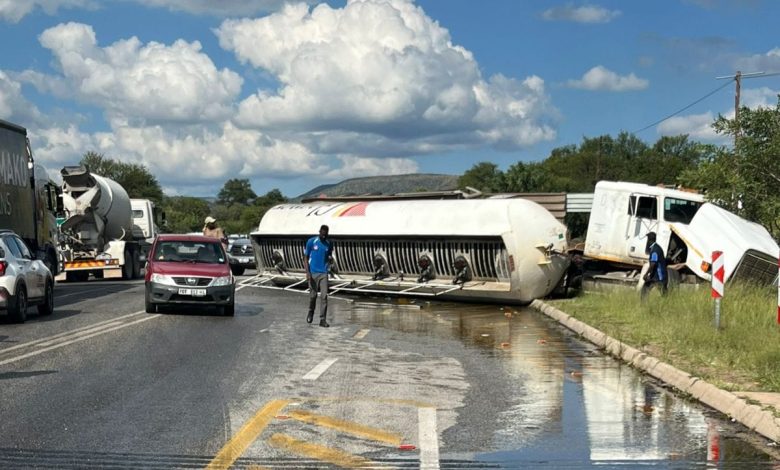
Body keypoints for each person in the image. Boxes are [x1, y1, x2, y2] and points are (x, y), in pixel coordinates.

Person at [304, 224, 333, 327]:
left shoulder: (329, 244)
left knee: (324, 296)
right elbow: (306, 258)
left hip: (323, 273)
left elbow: (329, 255)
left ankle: (322, 319)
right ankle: (311, 311)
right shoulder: (311, 242)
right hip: (313, 272)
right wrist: (307, 272)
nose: (324, 236)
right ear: (319, 232)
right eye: (322, 234)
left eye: (326, 235)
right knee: (313, 296)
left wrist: (330, 260)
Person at [641, 231, 668, 301]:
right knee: (646, 290)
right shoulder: (656, 247)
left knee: (646, 290)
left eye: (647, 239)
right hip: (657, 275)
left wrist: (646, 274)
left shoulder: (655, 250)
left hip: (659, 276)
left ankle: (643, 305)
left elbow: (653, 264)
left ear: (649, 240)